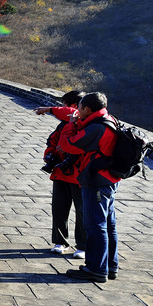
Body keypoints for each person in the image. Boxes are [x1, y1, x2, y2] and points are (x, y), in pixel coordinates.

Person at [57, 92, 120, 282]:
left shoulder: (96, 129)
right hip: (109, 180)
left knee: (95, 226)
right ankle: (109, 266)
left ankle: (96, 269)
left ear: (87, 109)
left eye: (79, 107)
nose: (77, 110)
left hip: (96, 182)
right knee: (108, 225)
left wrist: (70, 124)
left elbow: (68, 144)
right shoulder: (109, 119)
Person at [34, 91, 85, 259]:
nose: (63, 109)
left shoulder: (85, 122)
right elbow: (52, 141)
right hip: (60, 172)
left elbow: (71, 114)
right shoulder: (64, 124)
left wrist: (48, 109)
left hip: (79, 175)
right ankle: (60, 241)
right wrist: (50, 155)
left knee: (82, 212)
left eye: (65, 105)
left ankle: (83, 246)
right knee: (59, 209)